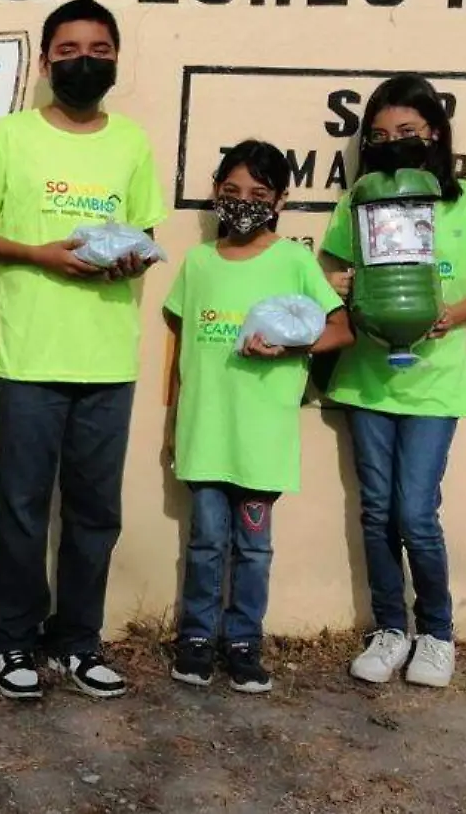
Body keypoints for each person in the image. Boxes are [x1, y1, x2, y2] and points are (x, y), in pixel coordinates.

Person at [0, 0, 166, 703]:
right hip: (31, 359)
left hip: (109, 359)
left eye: (100, 49)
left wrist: (131, 258)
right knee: (21, 506)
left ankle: (77, 641)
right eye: (70, 49)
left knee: (95, 514)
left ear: (116, 59)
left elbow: (142, 236)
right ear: (45, 62)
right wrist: (40, 255)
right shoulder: (11, 136)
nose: (86, 60)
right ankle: (12, 641)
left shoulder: (131, 143)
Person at [322, 75, 466, 690]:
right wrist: (339, 285)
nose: (393, 144)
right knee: (377, 511)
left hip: (435, 383)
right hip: (368, 379)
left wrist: (447, 316)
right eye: (379, 136)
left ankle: (436, 633)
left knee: (416, 512)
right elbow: (329, 267)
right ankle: (389, 629)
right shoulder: (360, 200)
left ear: (434, 133)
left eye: (406, 132)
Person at [161, 141, 351, 694]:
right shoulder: (197, 264)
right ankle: (196, 638)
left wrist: (291, 352)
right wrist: (173, 422)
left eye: (258, 194)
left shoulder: (292, 261)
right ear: (217, 192)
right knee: (205, 541)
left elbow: (341, 330)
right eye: (231, 192)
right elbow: (180, 349)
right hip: (206, 431)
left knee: (253, 546)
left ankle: (243, 641)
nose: (243, 203)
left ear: (280, 200)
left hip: (261, 439)